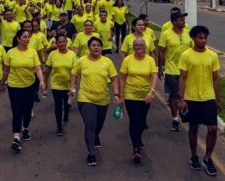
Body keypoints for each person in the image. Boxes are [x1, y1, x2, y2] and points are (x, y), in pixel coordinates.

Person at [70, 37, 121, 166]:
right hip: (85, 97)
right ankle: (91, 153)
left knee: (99, 124)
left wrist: (116, 94)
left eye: (98, 45)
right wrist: (72, 87)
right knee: (90, 124)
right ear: (89, 47)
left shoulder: (107, 62)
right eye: (93, 45)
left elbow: (114, 78)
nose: (96, 47)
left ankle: (95, 135)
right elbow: (74, 74)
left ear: (101, 48)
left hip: (103, 99)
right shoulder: (81, 61)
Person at [178, 26, 222, 176]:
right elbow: (182, 78)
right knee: (194, 128)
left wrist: (219, 100)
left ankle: (208, 158)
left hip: (208, 97)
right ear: (194, 39)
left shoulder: (212, 56)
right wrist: (181, 98)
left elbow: (215, 78)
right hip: (191, 98)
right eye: (200, 37)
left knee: (213, 129)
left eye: (205, 37)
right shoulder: (186, 55)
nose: (203, 40)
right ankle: (194, 156)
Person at [1, 29, 45, 153]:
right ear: (18, 39)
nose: (27, 39)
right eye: (25, 37)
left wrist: (41, 81)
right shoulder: (10, 53)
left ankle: (25, 128)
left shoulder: (32, 52)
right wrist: (2, 83)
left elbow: (37, 68)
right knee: (16, 112)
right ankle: (16, 138)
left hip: (29, 85)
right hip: (14, 86)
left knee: (27, 110)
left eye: (28, 37)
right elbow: (6, 70)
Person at [120, 38, 158, 164]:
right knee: (135, 120)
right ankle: (136, 148)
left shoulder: (150, 60)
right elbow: (122, 78)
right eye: (136, 45)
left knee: (142, 121)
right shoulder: (127, 60)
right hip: (131, 95)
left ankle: (138, 137)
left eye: (141, 45)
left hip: (146, 95)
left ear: (145, 46)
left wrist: (152, 91)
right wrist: (120, 94)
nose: (139, 47)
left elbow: (154, 76)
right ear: (133, 47)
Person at [158, 12, 194, 132]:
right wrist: (160, 68)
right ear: (174, 22)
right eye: (181, 20)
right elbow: (161, 52)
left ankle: (185, 113)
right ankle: (175, 119)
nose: (183, 22)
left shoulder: (188, 33)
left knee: (185, 94)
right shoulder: (166, 34)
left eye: (184, 20)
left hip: (186, 70)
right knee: (173, 95)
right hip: (171, 69)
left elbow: (193, 49)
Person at [45, 35, 77, 136]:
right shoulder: (52, 54)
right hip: (56, 84)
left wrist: (73, 85)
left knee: (67, 104)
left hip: (69, 84)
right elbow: (48, 69)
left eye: (64, 42)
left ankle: (66, 113)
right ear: (56, 43)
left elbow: (74, 72)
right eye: (59, 42)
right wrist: (45, 82)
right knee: (58, 105)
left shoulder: (72, 54)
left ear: (67, 43)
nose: (62, 44)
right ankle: (59, 126)